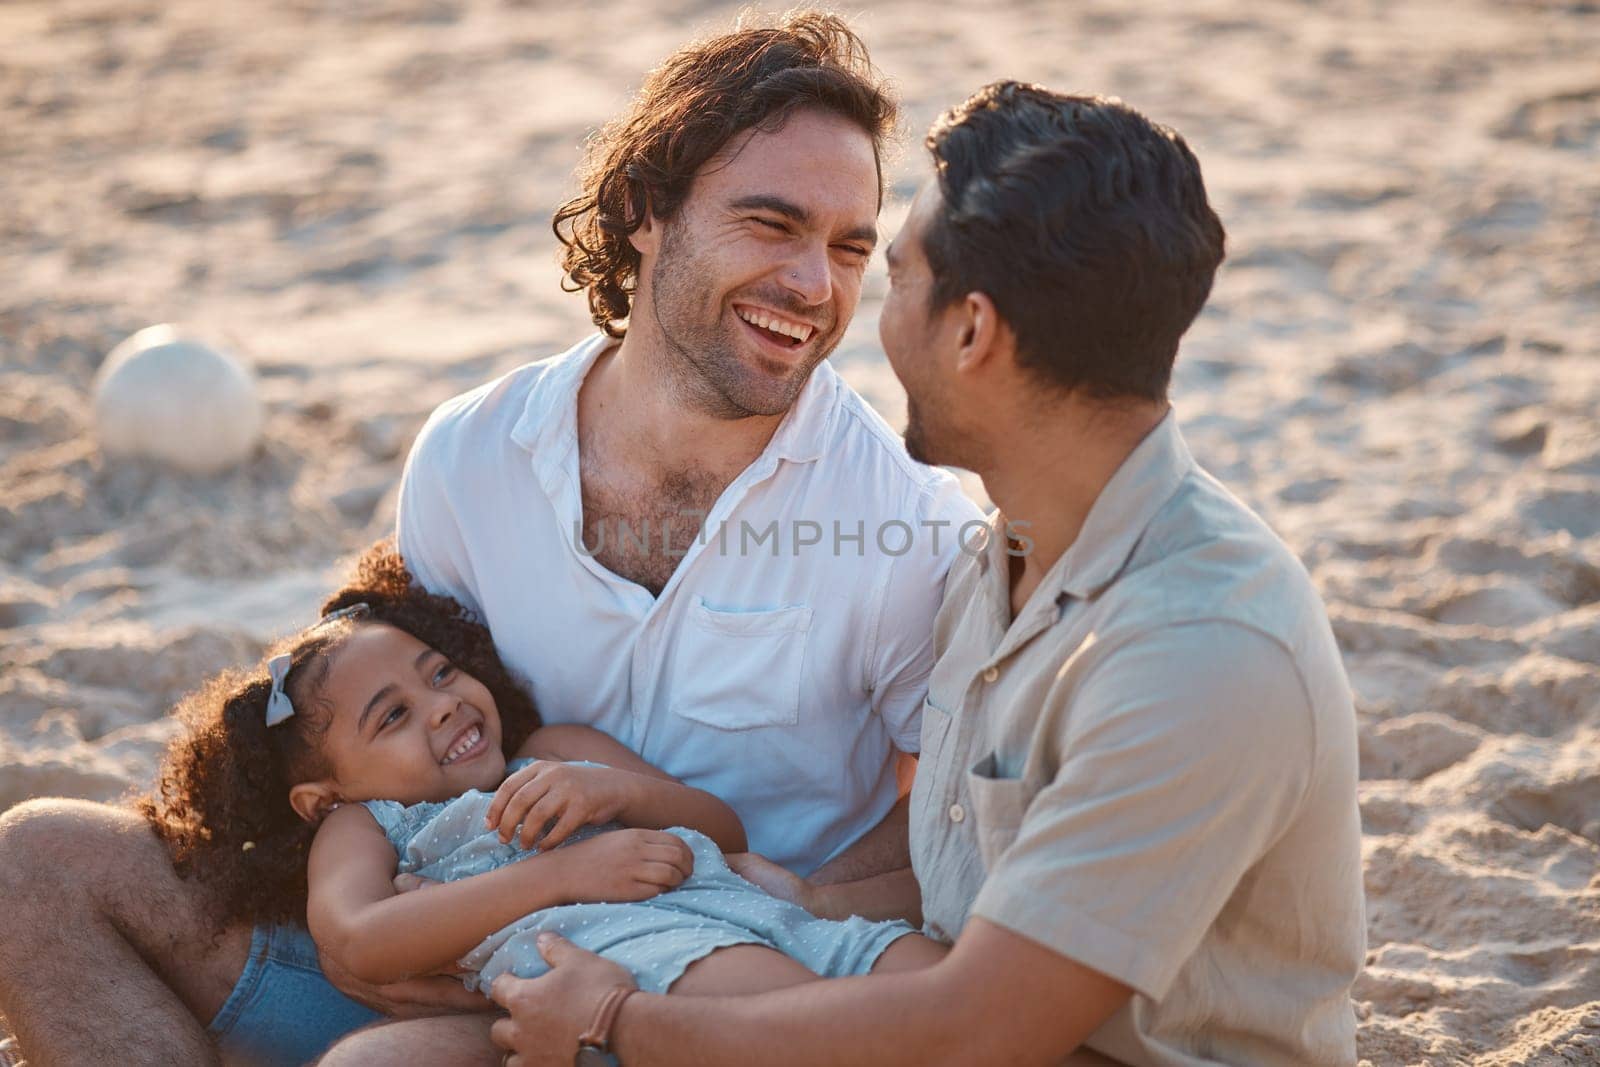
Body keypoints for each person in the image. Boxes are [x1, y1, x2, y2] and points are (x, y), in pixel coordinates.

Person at [0, 12, 978, 1066]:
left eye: (847, 248)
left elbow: (955, 839)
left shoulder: (910, 521)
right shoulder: (471, 453)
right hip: (445, 947)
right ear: (646, 210)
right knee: (37, 861)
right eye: (771, 224)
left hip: (701, 986)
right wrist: (367, 927)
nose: (814, 287)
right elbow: (378, 714)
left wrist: (784, 903)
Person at [485, 82, 1366, 1067]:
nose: (845, 308)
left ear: (971, 331)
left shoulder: (1196, 649)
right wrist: (807, 896)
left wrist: (620, 1021)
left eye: (890, 272)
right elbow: (977, 851)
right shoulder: (1010, 552)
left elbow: (977, 1028)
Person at [138, 544, 945, 1034]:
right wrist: (557, 876)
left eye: (441, 672)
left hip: (771, 912)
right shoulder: (371, 827)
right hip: (657, 965)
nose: (445, 702)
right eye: (393, 716)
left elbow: (722, 827)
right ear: (321, 796)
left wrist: (613, 790)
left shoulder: (557, 752)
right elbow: (357, 937)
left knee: (946, 992)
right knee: (811, 1026)